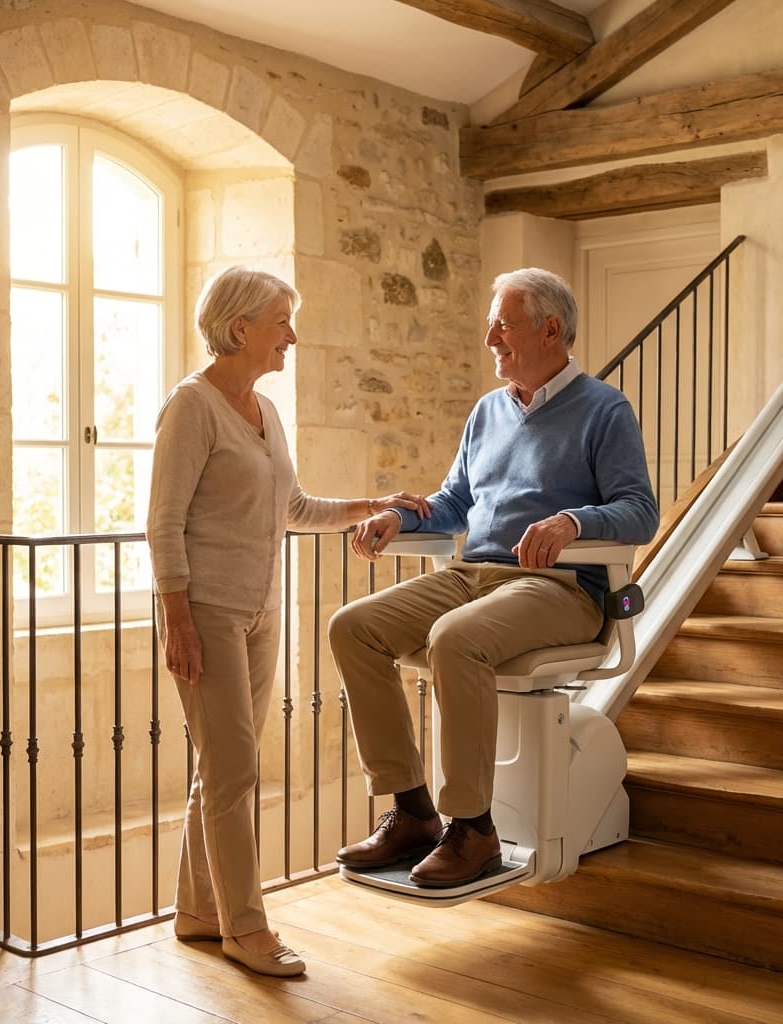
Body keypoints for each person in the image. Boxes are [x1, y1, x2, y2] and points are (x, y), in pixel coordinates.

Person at [329, 267, 658, 889]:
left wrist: (573, 522)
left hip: (560, 588)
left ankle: (473, 828)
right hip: (473, 574)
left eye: (502, 325)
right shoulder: (487, 412)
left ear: (550, 329)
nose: (490, 339)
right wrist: (398, 517)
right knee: (354, 627)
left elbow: (640, 510)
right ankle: (413, 812)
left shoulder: (604, 409)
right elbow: (455, 502)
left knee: (456, 638)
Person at [146, 266, 429, 976]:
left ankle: (198, 912)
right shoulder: (191, 406)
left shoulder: (263, 413)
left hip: (260, 611)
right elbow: (163, 523)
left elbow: (293, 507)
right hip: (203, 612)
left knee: (222, 767)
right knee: (235, 768)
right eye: (281, 323)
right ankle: (246, 928)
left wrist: (372, 505)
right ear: (241, 328)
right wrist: (176, 618)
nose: (291, 338)